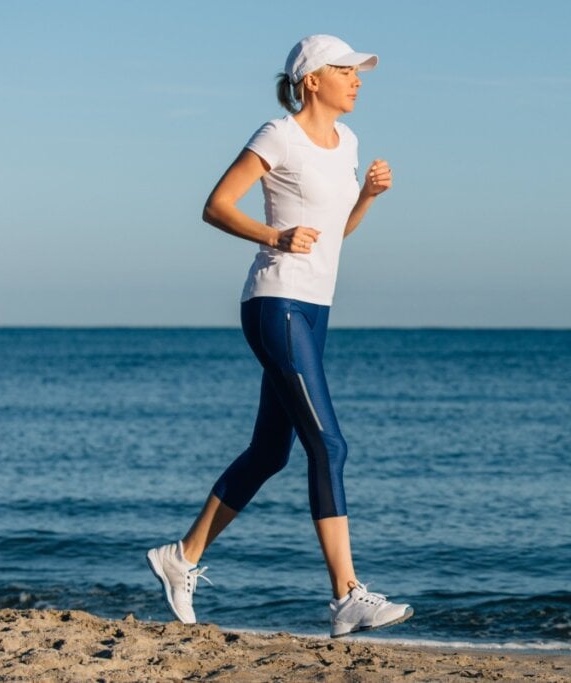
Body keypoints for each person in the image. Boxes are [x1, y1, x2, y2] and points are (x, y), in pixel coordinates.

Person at [146, 34, 412, 638]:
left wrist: (366, 196)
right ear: (313, 79)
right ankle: (346, 595)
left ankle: (180, 557)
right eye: (347, 69)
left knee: (271, 453)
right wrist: (275, 237)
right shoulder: (277, 135)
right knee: (330, 445)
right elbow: (216, 205)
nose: (358, 79)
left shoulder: (347, 142)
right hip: (276, 302)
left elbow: (333, 235)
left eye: (358, 70)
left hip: (315, 307)